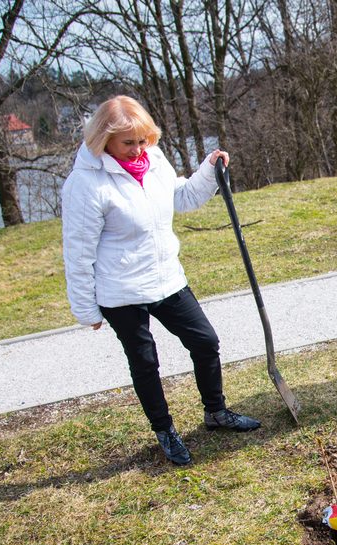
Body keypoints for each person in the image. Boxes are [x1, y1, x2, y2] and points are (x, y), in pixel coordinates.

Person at [62, 95, 260, 466]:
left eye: (143, 140)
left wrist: (208, 170)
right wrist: (85, 308)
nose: (138, 150)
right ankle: (164, 430)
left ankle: (215, 412)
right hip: (120, 291)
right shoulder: (85, 185)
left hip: (166, 277)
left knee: (205, 341)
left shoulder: (153, 160)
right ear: (104, 140)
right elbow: (78, 252)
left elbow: (181, 198)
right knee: (145, 362)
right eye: (129, 143)